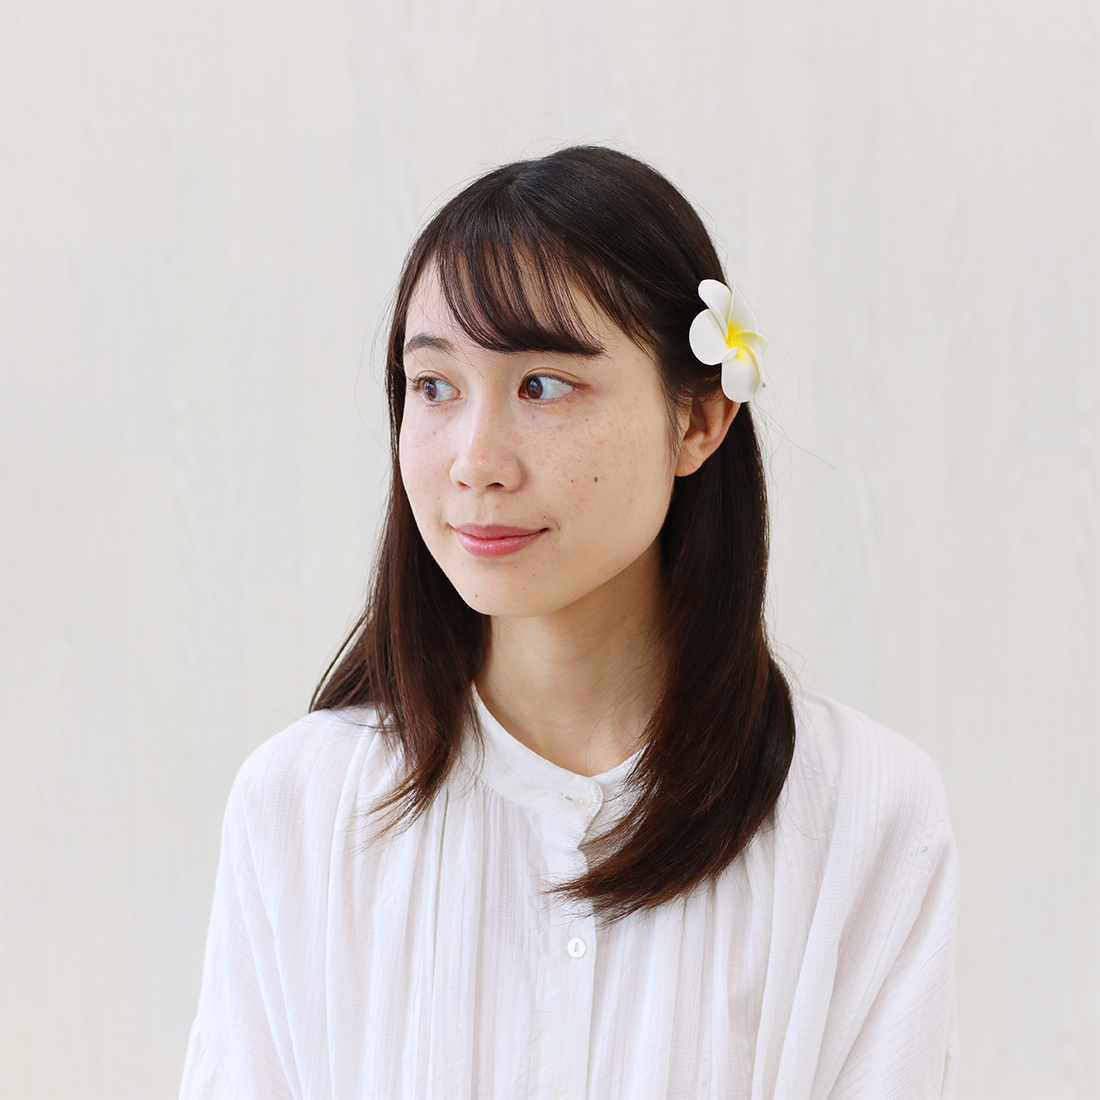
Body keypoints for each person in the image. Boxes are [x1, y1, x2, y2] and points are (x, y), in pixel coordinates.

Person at [180, 146, 959, 1100]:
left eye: (543, 385)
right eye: (434, 386)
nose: (476, 461)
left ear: (700, 420)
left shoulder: (865, 815)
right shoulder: (299, 807)